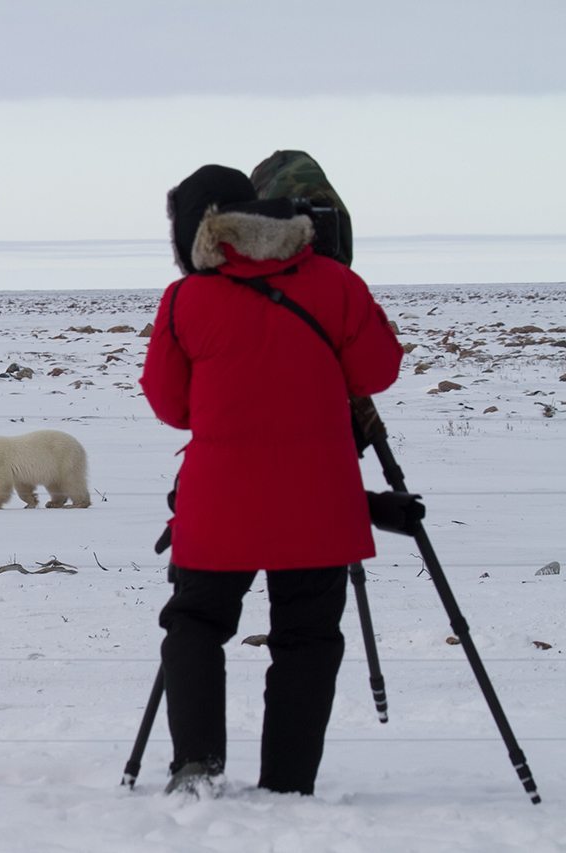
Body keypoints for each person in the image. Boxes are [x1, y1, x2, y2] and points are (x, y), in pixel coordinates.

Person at [138, 164, 403, 796]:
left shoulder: (185, 300)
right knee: (308, 636)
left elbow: (171, 406)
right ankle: (288, 784)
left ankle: (197, 765)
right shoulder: (336, 283)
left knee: (196, 624)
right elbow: (379, 370)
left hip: (219, 502)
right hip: (320, 501)